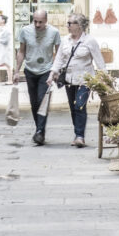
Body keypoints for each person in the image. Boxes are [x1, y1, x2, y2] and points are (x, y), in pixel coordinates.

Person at [47, 13, 106, 148]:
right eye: (68, 23)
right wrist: (52, 75)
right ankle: (77, 133)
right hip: (69, 80)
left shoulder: (89, 41)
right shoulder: (65, 41)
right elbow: (59, 59)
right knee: (73, 108)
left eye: (70, 23)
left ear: (79, 26)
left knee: (79, 105)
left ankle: (80, 136)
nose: (67, 26)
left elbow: (99, 61)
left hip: (85, 80)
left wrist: (105, 78)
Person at [13, 8, 60, 145]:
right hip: (30, 70)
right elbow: (21, 52)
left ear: (46, 21)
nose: (38, 25)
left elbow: (58, 53)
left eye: (40, 22)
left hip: (46, 71)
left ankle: (39, 132)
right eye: (35, 22)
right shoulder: (25, 31)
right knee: (34, 103)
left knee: (42, 100)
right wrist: (17, 71)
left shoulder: (54, 32)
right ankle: (40, 129)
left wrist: (55, 71)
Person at [0, 13, 12, 82]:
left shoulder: (6, 30)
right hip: (1, 51)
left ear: (3, 20)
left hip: (4, 51)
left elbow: (5, 41)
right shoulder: (2, 29)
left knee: (6, 65)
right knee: (2, 65)